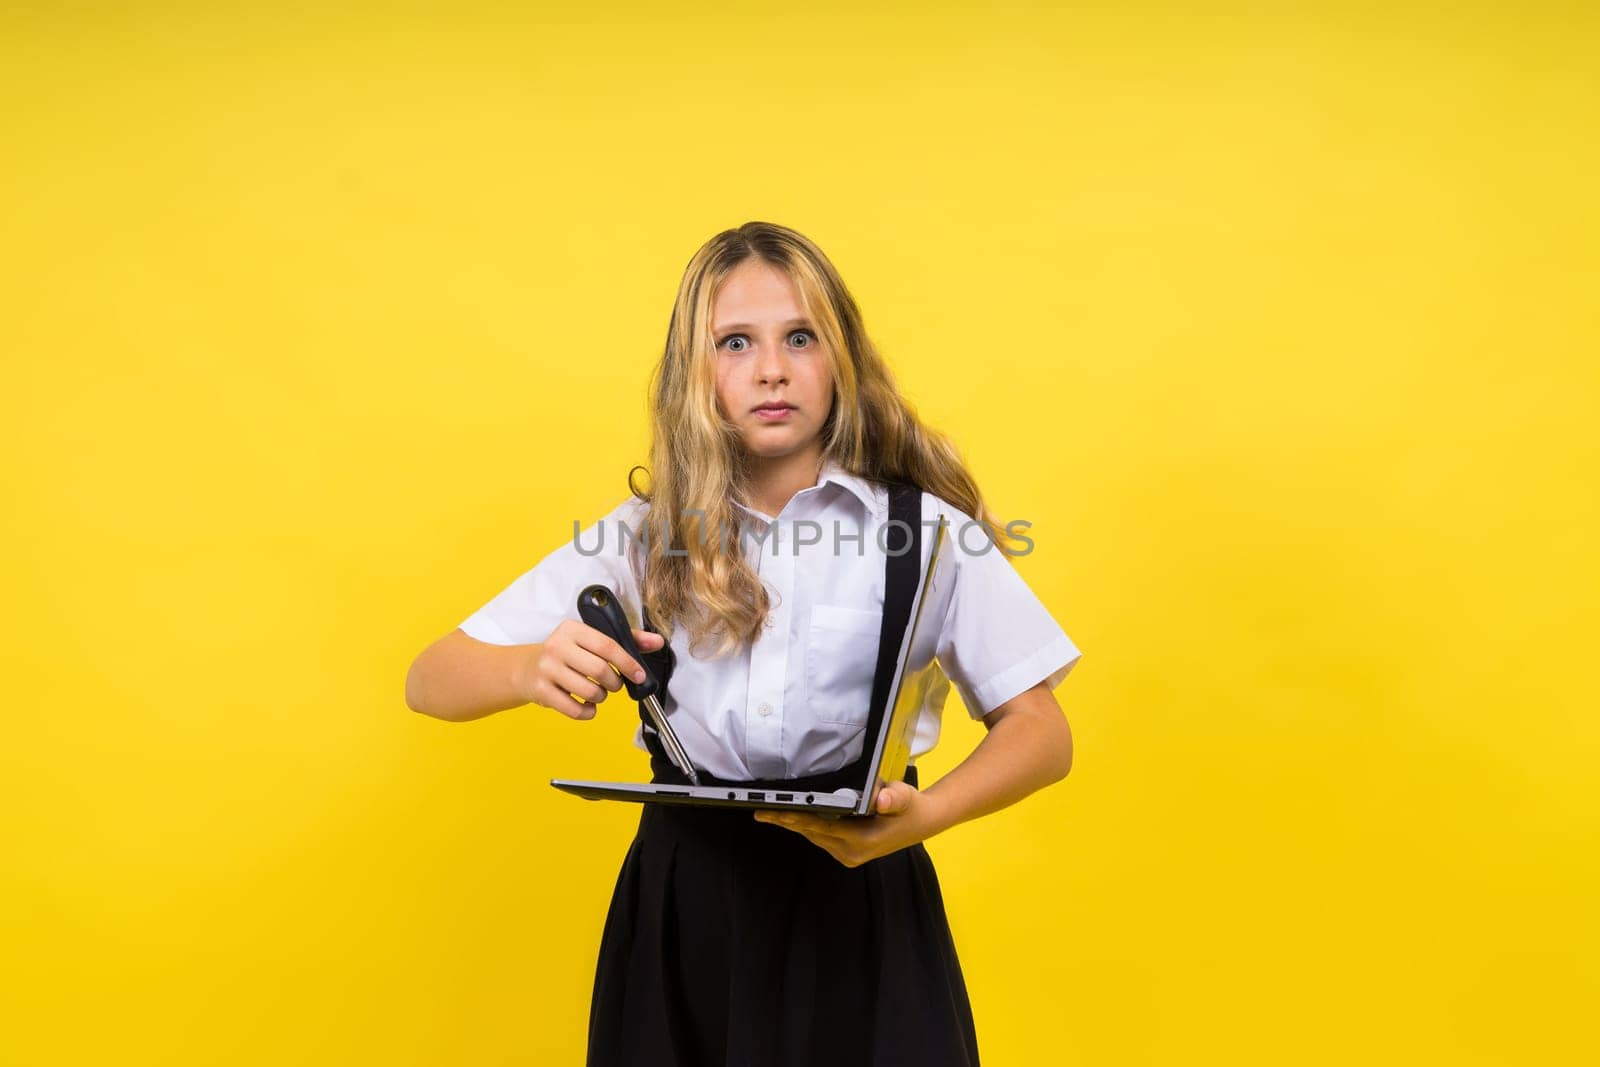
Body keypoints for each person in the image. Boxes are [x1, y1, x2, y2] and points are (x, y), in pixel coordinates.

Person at [405, 221, 1083, 1067]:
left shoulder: (924, 533)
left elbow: (1042, 729)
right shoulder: (644, 538)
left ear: (842, 358)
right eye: (735, 342)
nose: (771, 368)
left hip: (864, 894)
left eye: (801, 337)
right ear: (698, 373)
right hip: (684, 911)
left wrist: (932, 814)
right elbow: (429, 677)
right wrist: (525, 665)